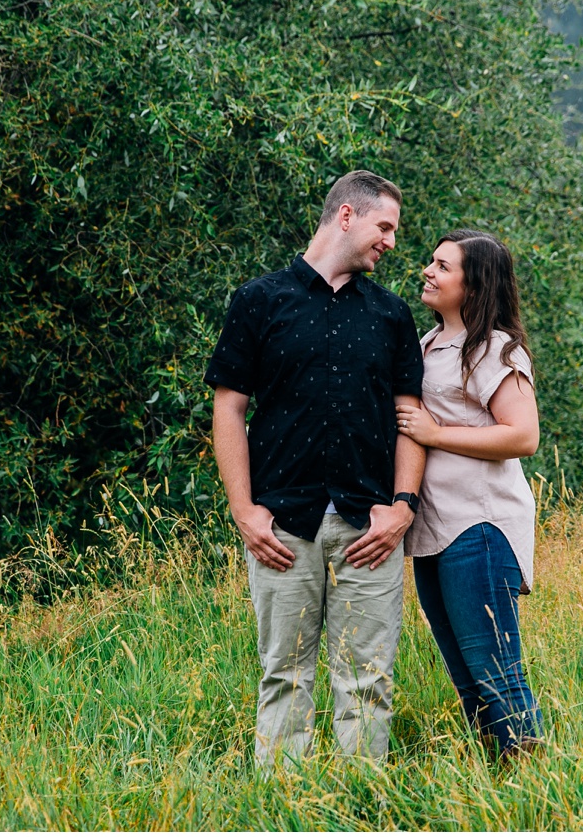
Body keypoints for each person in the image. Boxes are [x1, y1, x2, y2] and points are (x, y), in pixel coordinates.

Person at [206, 170, 426, 764]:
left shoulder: (391, 315)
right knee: (285, 674)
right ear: (347, 216)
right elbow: (228, 408)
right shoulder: (259, 300)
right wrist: (244, 510)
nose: (392, 242)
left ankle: (360, 806)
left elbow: (412, 419)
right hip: (281, 524)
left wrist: (403, 508)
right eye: (386, 227)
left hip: (370, 528)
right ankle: (282, 810)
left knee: (368, 683)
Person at [395, 228, 544, 763]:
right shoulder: (430, 345)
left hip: (479, 529)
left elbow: (521, 435)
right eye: (430, 262)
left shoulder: (493, 349)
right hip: (434, 531)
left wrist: (434, 434)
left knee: (496, 671)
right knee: (466, 675)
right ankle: (497, 787)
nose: (427, 272)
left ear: (475, 286)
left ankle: (537, 789)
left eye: (443, 266)